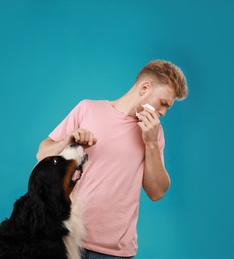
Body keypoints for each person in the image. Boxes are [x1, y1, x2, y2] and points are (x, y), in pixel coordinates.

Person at [36, 60, 188, 258]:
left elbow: (157, 192)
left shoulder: (154, 132)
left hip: (115, 252)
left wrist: (151, 143)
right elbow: (42, 154)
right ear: (144, 87)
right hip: (65, 239)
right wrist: (67, 142)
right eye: (163, 103)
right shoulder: (87, 109)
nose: (163, 113)